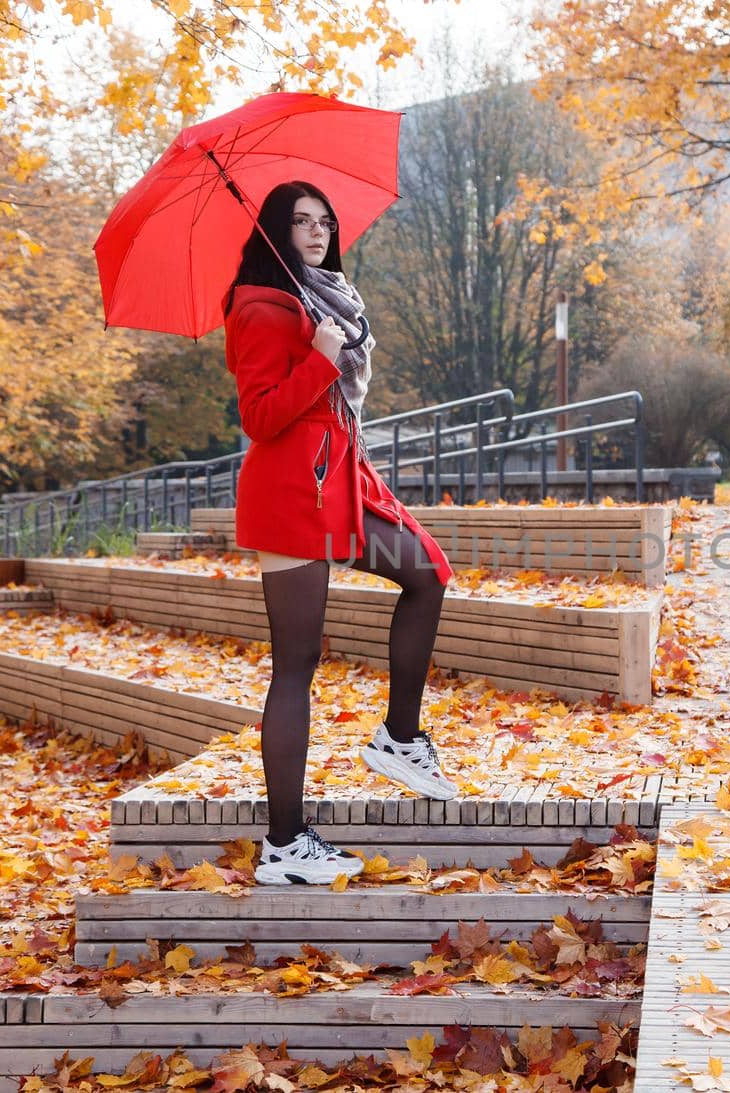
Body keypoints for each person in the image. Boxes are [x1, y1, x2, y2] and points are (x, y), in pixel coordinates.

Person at [222, 179, 458, 886]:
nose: (318, 232)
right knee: (295, 664)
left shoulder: (322, 299)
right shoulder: (260, 308)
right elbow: (261, 418)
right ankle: (285, 844)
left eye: (324, 221)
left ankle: (401, 737)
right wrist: (320, 355)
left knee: (426, 572)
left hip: (339, 483)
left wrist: (327, 345)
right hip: (292, 492)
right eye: (300, 222)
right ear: (276, 230)